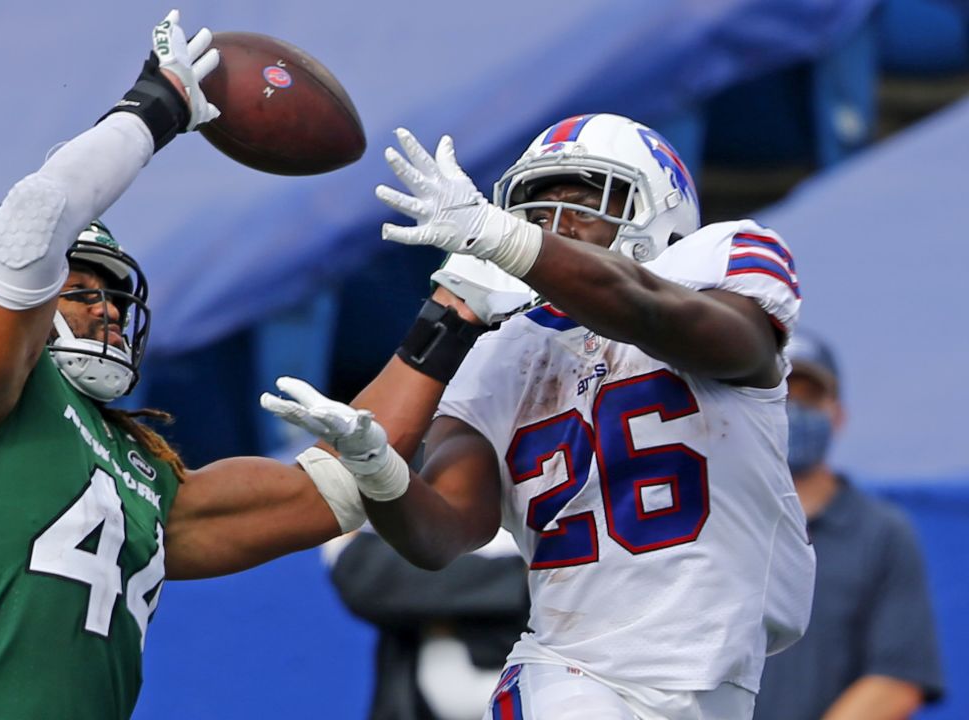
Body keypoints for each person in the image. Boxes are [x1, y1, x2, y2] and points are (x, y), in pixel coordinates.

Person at [0, 12, 377, 719]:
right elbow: (38, 216)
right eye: (81, 290)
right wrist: (154, 106)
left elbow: (331, 494)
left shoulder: (124, 471)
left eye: (112, 294)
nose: (107, 310)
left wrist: (455, 317)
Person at [263, 114, 817, 720]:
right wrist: (379, 470)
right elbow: (442, 534)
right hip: (574, 679)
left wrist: (511, 242)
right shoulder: (503, 352)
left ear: (660, 211)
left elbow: (671, 321)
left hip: (715, 686)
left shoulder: (718, 265)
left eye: (583, 201)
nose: (554, 224)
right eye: (534, 209)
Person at [752, 332, 943, 720]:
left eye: (810, 396)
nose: (794, 411)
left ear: (838, 414)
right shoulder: (710, 523)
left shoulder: (882, 534)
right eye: (782, 395)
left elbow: (898, 678)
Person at [326, 526, 529, 720]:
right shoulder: (406, 495)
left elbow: (553, 596)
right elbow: (363, 571)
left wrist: (443, 609)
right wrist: (516, 583)